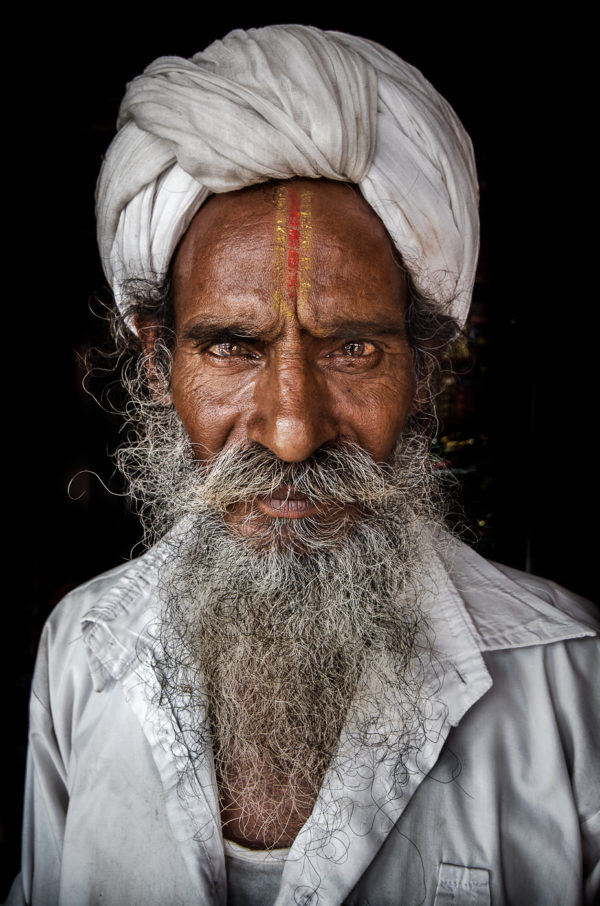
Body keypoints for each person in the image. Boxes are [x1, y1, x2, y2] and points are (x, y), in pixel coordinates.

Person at [6, 24, 598, 906]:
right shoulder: (82, 656)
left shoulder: (575, 691)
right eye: (234, 348)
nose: (291, 433)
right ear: (160, 363)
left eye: (353, 349)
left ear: (426, 368)